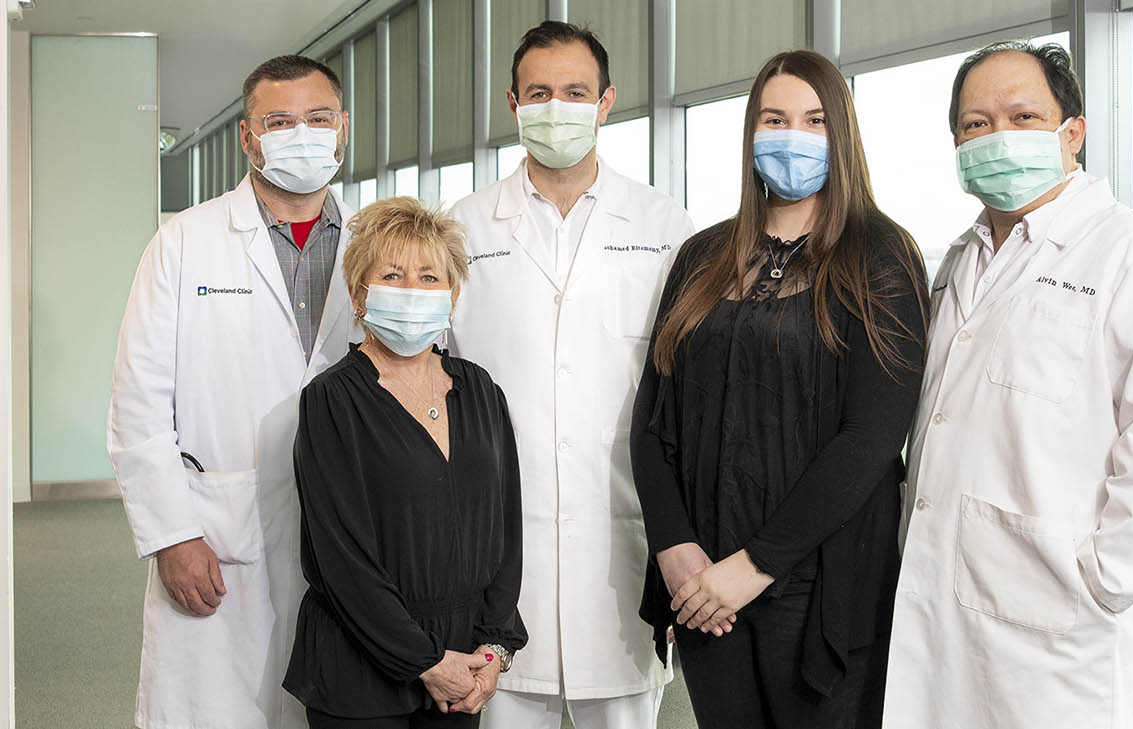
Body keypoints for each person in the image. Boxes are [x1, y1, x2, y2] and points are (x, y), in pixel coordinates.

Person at [881, 41, 1133, 729]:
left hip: (1060, 636)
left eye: (1023, 115)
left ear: (1074, 132)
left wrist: (1103, 581)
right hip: (943, 609)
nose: (997, 136)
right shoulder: (959, 260)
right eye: (976, 124)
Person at [631, 49, 929, 729]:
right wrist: (676, 552)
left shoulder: (880, 255)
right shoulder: (702, 258)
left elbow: (873, 438)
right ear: (750, 132)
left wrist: (756, 564)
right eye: (775, 118)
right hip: (706, 589)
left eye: (814, 119)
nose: (793, 134)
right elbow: (651, 423)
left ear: (842, 135)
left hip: (819, 588)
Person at [449, 20, 695, 729]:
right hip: (496, 560)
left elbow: (689, 402)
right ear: (512, 103)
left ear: (607, 100)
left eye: (575, 92)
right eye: (539, 92)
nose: (556, 108)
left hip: (622, 549)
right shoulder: (465, 228)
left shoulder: (664, 224)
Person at [107, 55, 354, 729]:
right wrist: (170, 534)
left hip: (349, 539)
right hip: (216, 535)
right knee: (215, 712)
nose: (300, 133)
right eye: (279, 121)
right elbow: (139, 404)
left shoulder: (374, 247)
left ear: (343, 129)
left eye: (318, 118)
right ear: (248, 137)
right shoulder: (184, 243)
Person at [282, 197, 527, 728]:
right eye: (392, 275)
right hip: (362, 668)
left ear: (453, 294)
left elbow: (506, 533)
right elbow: (340, 557)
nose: (412, 291)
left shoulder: (481, 390)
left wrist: (494, 647)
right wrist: (425, 661)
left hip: (465, 665)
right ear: (358, 293)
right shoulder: (332, 401)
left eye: (429, 277)